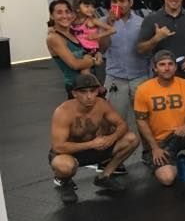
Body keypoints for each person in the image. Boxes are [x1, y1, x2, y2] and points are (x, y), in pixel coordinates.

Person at [48, 72, 139, 203]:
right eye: (83, 92)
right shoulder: (63, 112)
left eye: (92, 91)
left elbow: (122, 124)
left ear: (97, 91)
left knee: (132, 139)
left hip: (96, 148)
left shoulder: (101, 104)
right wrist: (91, 144)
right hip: (71, 153)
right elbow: (58, 146)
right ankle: (66, 183)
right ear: (74, 94)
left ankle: (104, 176)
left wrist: (112, 138)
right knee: (63, 166)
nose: (89, 96)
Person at [134, 50, 185, 187]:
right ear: (154, 68)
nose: (167, 68)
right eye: (162, 65)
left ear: (175, 67)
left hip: (182, 133)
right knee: (167, 178)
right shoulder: (143, 90)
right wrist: (154, 148)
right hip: (161, 141)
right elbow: (141, 121)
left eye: (170, 64)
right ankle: (163, 160)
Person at [99, 0, 149, 132]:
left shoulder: (142, 22)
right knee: (113, 121)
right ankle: (115, 152)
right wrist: (108, 27)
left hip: (140, 77)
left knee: (146, 119)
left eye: (122, 1)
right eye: (114, 1)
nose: (118, 5)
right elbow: (101, 49)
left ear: (131, 2)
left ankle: (149, 152)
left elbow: (148, 49)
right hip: (116, 78)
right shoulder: (103, 22)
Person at [48, 0, 101, 97]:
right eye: (59, 12)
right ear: (52, 16)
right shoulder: (54, 37)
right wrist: (92, 61)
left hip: (90, 84)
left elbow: (86, 52)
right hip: (77, 89)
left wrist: (97, 54)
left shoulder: (72, 32)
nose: (64, 16)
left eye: (67, 12)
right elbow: (75, 65)